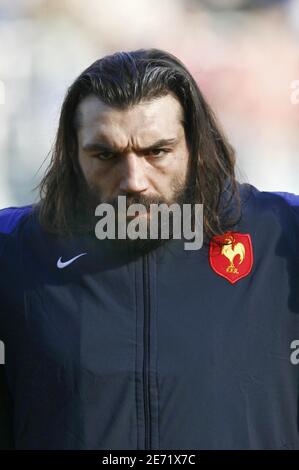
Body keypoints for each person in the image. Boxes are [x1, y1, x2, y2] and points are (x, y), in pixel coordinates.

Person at [0, 48, 298, 450]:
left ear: (196, 145)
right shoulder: (15, 250)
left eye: (156, 151)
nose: (133, 180)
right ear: (73, 155)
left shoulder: (283, 235)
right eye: (105, 155)